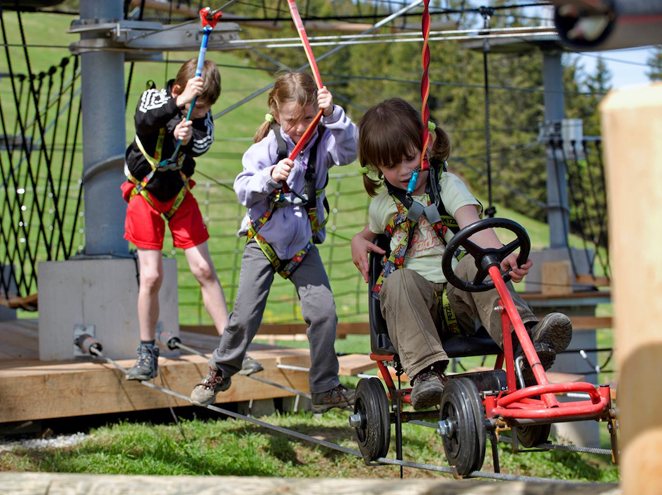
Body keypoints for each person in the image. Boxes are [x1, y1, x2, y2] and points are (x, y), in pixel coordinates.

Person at [350, 98, 572, 410]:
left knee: (474, 264)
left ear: (426, 146)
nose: (403, 171)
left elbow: (474, 225)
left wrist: (498, 254)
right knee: (398, 280)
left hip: (461, 300)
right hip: (418, 315)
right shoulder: (382, 206)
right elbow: (366, 233)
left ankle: (528, 340)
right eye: (390, 166)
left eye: (409, 158)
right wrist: (357, 242)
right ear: (377, 168)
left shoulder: (448, 185)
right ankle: (426, 373)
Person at [190, 72, 358, 413]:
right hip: (264, 239)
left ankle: (325, 386)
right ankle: (220, 372)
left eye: (308, 118)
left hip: (301, 245)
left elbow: (350, 152)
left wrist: (335, 115)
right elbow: (242, 188)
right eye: (292, 121)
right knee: (246, 314)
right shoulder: (266, 147)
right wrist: (268, 178)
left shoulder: (324, 140)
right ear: (277, 114)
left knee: (324, 312)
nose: (300, 128)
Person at [122, 58, 230, 381]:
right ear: (179, 89)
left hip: (178, 192)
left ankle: (230, 347)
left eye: (205, 108)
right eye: (198, 106)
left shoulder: (202, 119)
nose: (201, 113)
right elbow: (144, 120)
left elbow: (202, 143)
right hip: (145, 192)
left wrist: (186, 135)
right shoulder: (156, 97)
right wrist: (177, 109)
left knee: (204, 268)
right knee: (152, 276)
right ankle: (146, 351)